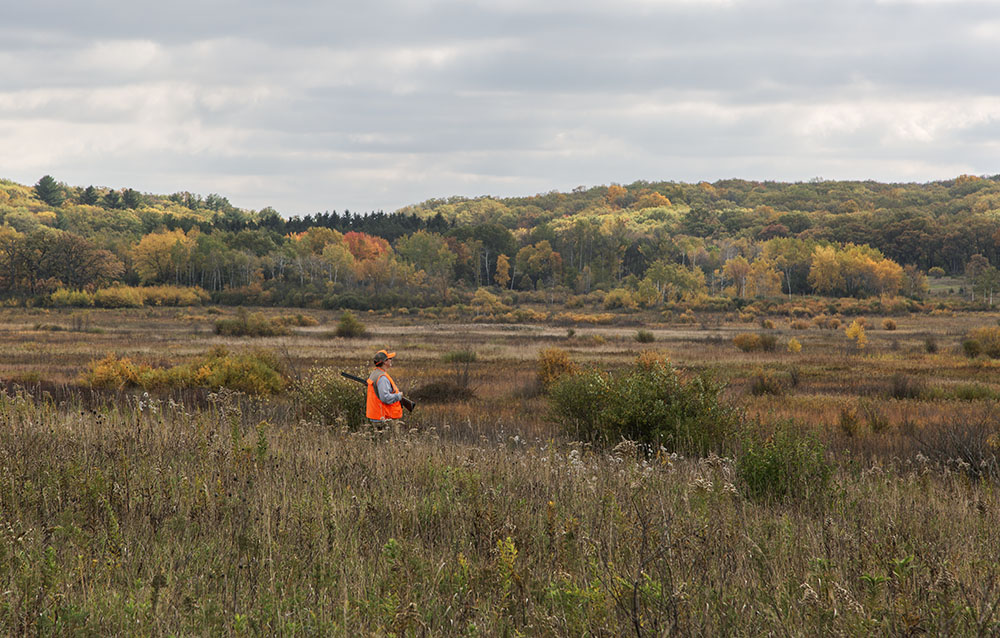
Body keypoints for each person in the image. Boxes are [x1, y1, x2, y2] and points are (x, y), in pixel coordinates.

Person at [366, 349, 405, 424]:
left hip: (377, 416)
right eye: (390, 358)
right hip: (385, 418)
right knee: (391, 436)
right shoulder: (382, 378)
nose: (391, 360)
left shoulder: (375, 373)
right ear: (385, 361)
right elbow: (385, 398)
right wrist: (399, 396)